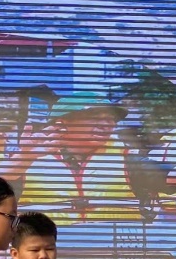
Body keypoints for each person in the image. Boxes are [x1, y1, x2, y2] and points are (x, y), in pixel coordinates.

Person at [18, 91, 142, 221]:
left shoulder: (128, 158)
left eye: (111, 119)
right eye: (94, 116)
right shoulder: (26, 162)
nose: (106, 124)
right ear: (62, 123)